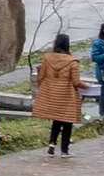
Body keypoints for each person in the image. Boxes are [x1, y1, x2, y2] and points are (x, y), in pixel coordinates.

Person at [32, 29, 83, 157]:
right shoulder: (73, 62)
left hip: (53, 96)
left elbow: (40, 78)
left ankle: (51, 146)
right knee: (67, 122)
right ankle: (64, 151)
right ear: (67, 44)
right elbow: (76, 82)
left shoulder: (47, 58)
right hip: (67, 96)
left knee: (57, 120)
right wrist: (88, 87)